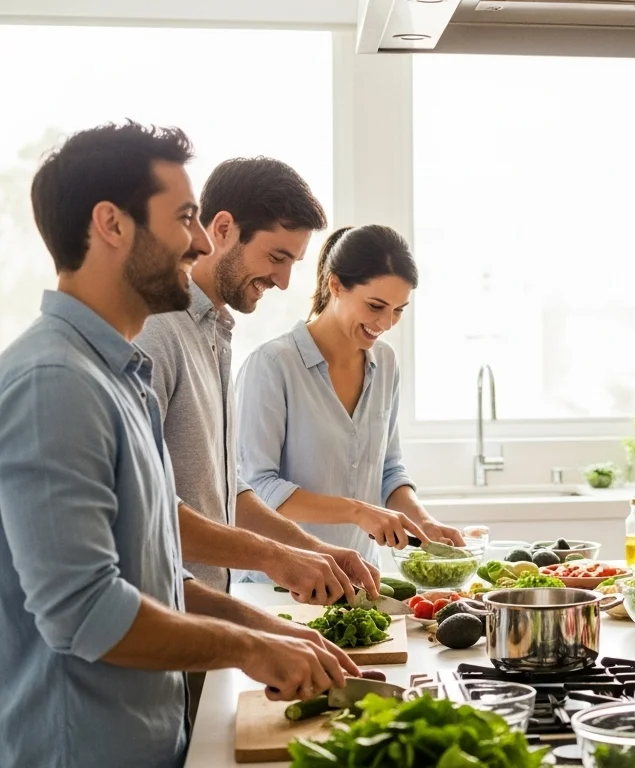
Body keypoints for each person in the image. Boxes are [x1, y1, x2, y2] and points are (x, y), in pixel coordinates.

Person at [0, 121, 357, 768]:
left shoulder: (117, 375)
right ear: (112, 223)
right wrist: (252, 650)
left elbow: (153, 572)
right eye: (185, 218)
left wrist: (268, 630)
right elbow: (85, 612)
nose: (198, 242)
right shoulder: (52, 382)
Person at [137, 157, 378, 601]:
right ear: (223, 228)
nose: (284, 282)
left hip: (206, 621)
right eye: (276, 257)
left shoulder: (216, 334)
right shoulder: (155, 330)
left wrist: (316, 550)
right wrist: (276, 557)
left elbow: (228, 492)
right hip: (163, 623)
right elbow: (142, 511)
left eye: (293, 263)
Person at [236, 223, 463, 564]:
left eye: (398, 310)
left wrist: (423, 522)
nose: (386, 323)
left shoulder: (385, 363)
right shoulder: (272, 365)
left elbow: (389, 470)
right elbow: (257, 488)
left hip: (358, 577)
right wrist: (357, 512)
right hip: (282, 580)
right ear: (336, 285)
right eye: (375, 306)